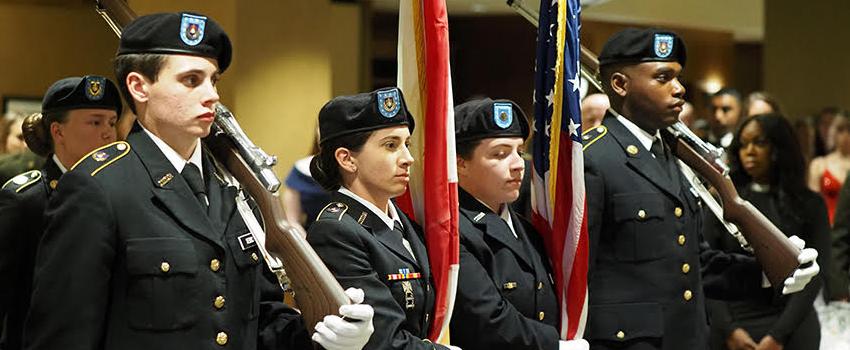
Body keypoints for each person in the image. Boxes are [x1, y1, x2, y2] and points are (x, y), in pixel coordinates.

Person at [23, 12, 373, 350]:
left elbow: (261, 320)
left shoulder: (233, 187)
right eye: (191, 80)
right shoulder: (97, 187)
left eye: (213, 80)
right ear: (139, 86)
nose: (212, 95)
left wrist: (325, 335)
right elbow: (62, 335)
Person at [580, 28, 819, 350]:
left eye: (678, 77)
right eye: (663, 78)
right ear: (620, 84)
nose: (679, 89)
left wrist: (768, 270)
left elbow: (694, 262)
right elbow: (574, 275)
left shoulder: (669, 155)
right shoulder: (592, 160)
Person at [307, 88, 458, 350]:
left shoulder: (401, 220)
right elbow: (382, 339)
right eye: (391, 146)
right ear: (347, 159)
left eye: (407, 144)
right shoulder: (335, 231)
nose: (408, 159)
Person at [449, 98, 588, 350]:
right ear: (461, 163)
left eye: (519, 151)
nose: (517, 165)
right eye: (500, 154)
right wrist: (555, 346)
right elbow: (487, 320)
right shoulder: (456, 230)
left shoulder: (526, 228)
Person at [0, 76, 122, 350]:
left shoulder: (121, 194)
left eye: (112, 123)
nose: (108, 133)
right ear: (58, 131)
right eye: (95, 122)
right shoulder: (26, 201)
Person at [705, 113, 828, 350]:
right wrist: (730, 330)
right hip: (734, 320)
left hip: (791, 321)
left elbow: (815, 275)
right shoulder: (725, 201)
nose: (749, 151)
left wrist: (777, 336)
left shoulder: (809, 204)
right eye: (743, 144)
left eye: (759, 143)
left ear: (779, 147)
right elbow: (707, 267)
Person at [282, 133, 330, 232]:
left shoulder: (353, 169)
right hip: (310, 237)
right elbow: (292, 220)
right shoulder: (300, 170)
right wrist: (306, 245)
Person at [808, 114, 850, 225]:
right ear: (833, 132)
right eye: (840, 130)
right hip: (826, 227)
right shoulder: (819, 164)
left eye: (849, 129)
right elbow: (812, 205)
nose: (845, 135)